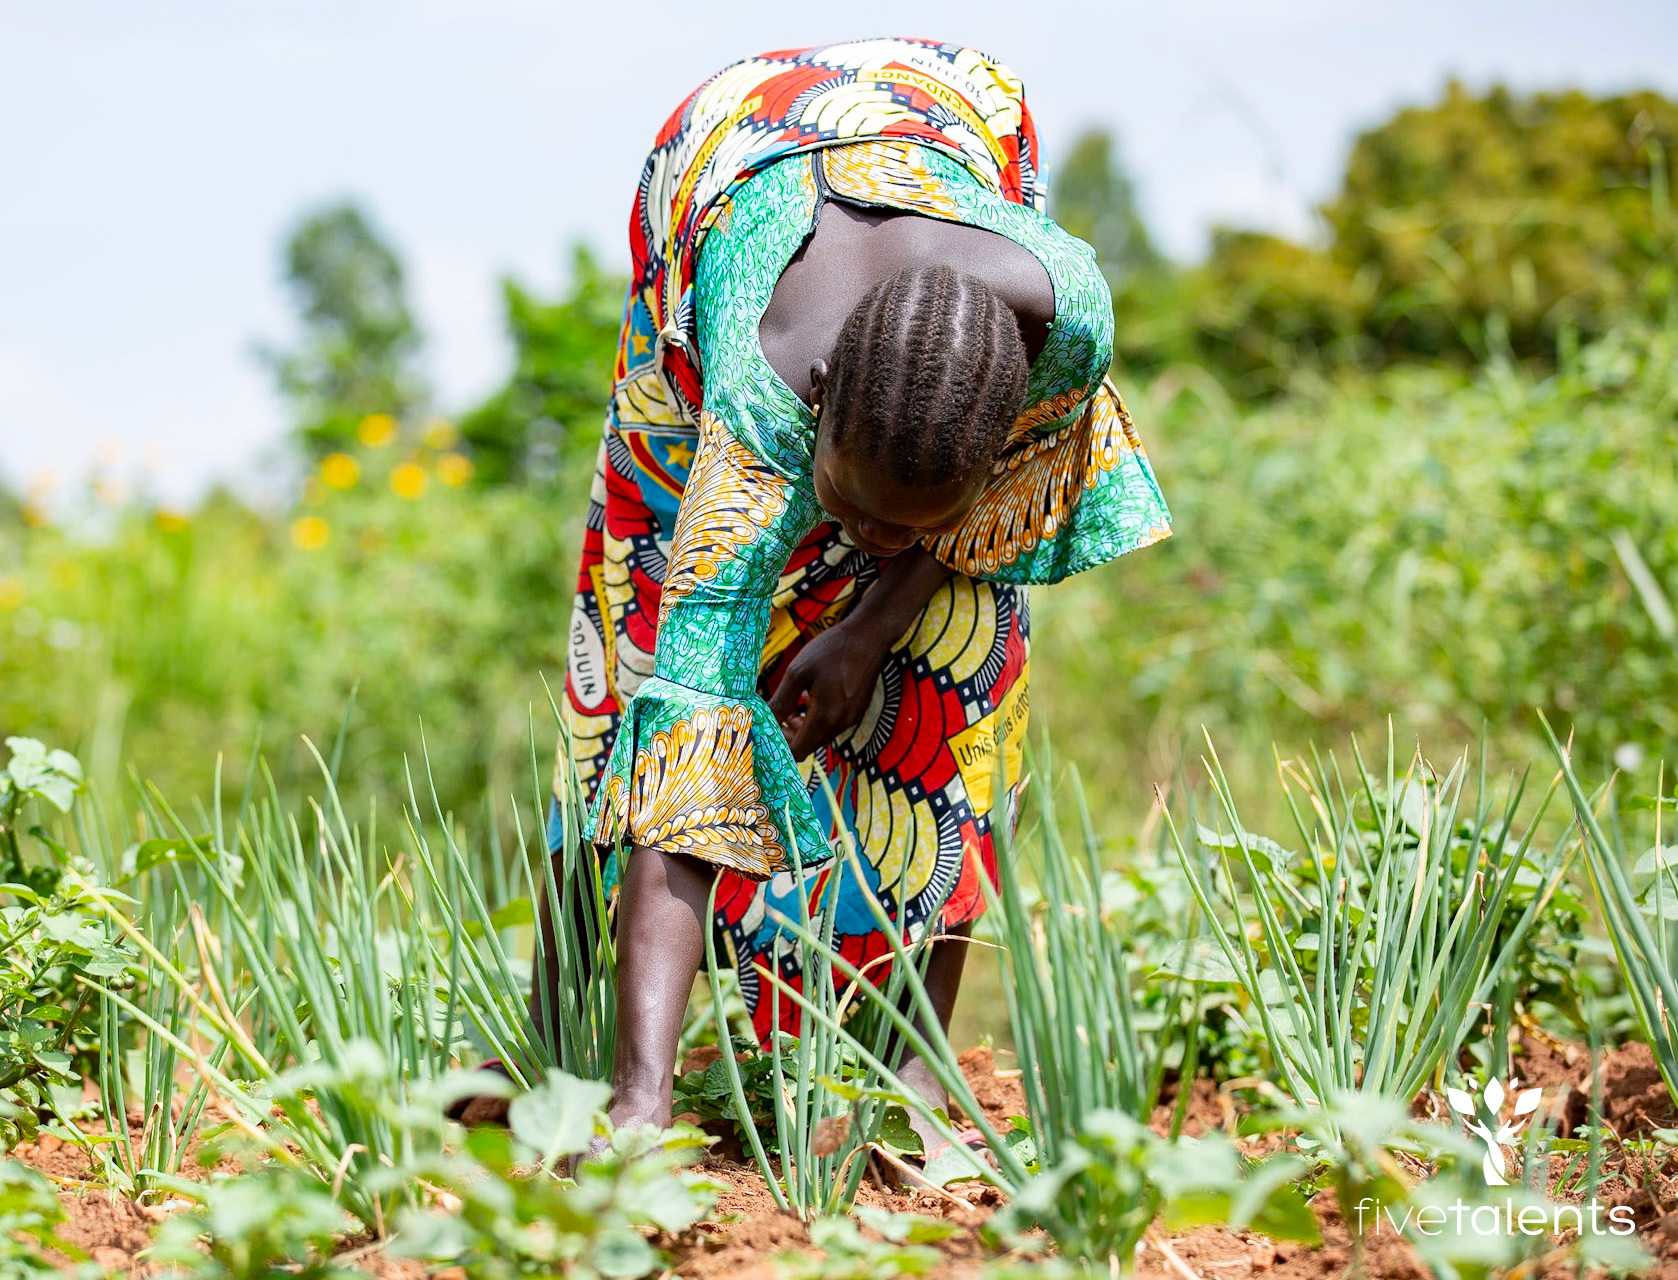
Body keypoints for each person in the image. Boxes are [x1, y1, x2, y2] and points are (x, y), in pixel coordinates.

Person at [526, 37, 1171, 1149]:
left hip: (951, 114)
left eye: (903, 522)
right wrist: (645, 1106)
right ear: (816, 402)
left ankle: (909, 1080)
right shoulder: (755, 377)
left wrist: (872, 626)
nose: (864, 539)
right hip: (726, 160)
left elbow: (1007, 497)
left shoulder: (1060, 331)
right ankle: (575, 1048)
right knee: (641, 652)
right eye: (847, 501)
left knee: (963, 666)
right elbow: (690, 747)